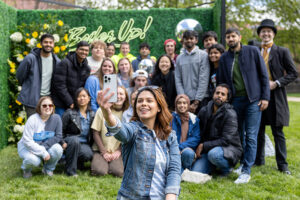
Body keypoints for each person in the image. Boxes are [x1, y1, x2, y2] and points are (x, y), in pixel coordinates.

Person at [97, 86, 181, 199]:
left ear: (159, 107)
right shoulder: (133, 130)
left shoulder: (171, 136)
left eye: (149, 100)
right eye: (140, 101)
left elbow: (174, 169)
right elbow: (119, 130)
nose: (143, 104)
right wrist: (107, 114)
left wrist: (170, 196)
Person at [217, 27, 270, 184]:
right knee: (238, 135)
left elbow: (263, 75)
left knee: (251, 136)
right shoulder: (224, 58)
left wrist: (265, 97)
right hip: (235, 101)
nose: (230, 39)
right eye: (228, 37)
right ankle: (241, 164)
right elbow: (222, 81)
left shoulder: (252, 51)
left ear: (239, 37)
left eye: (233, 36)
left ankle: (246, 171)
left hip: (253, 100)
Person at [255, 19, 298, 174]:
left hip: (276, 96)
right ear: (260, 34)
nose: (266, 34)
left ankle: (283, 165)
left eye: (269, 31)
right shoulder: (255, 50)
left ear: (273, 34)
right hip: (258, 96)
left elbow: (293, 73)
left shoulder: (282, 51)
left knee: (277, 131)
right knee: (258, 130)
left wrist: (277, 83)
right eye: (263, 31)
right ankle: (258, 161)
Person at [192, 84, 242, 177]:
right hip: (208, 149)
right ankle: (213, 166)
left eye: (223, 94)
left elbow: (226, 140)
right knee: (196, 172)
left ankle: (227, 169)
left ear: (227, 99)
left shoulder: (230, 114)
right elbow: (197, 132)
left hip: (228, 149)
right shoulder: (204, 110)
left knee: (214, 155)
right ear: (213, 95)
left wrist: (203, 145)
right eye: (217, 93)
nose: (219, 96)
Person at [17, 96, 64, 178]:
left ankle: (48, 169)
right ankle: (26, 170)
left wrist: (43, 148)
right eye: (44, 105)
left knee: (58, 149)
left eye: (50, 105)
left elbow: (58, 136)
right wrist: (43, 152)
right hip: (27, 147)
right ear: (39, 107)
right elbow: (27, 141)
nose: (48, 107)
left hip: (44, 146)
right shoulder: (32, 119)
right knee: (34, 160)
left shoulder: (57, 118)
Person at [16, 34, 60, 118]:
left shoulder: (56, 61)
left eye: (50, 42)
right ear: (41, 44)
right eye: (45, 42)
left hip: (48, 99)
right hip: (32, 99)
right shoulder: (30, 58)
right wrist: (29, 88)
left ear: (53, 44)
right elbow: (20, 75)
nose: (48, 44)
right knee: (33, 126)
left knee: (46, 126)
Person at [90, 86, 129, 177]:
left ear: (126, 97)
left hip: (117, 151)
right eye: (116, 94)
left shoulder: (127, 114)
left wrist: (119, 151)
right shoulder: (101, 111)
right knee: (99, 171)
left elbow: (127, 136)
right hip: (101, 149)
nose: (119, 96)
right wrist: (104, 152)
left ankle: (113, 165)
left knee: (118, 172)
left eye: (121, 94)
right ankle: (101, 163)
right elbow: (95, 132)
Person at [52, 41, 90, 118]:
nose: (84, 52)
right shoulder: (65, 63)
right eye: (81, 49)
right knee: (61, 127)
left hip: (75, 104)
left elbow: (82, 88)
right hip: (61, 103)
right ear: (76, 50)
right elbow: (59, 85)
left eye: (86, 50)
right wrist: (70, 102)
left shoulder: (86, 68)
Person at [62, 88, 95, 177]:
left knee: (88, 154)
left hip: (84, 143)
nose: (82, 98)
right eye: (79, 96)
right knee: (75, 140)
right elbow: (60, 130)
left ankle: (77, 164)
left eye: (84, 96)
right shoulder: (69, 113)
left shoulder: (92, 115)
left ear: (89, 98)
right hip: (70, 141)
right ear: (76, 99)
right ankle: (70, 171)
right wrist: (62, 142)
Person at [175, 30, 210, 114]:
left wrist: (196, 101)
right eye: (186, 39)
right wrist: (183, 99)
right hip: (185, 101)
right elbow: (178, 79)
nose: (189, 40)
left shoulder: (203, 55)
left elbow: (204, 78)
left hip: (202, 100)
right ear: (183, 40)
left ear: (196, 40)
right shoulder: (179, 58)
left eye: (191, 38)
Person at [172, 94, 200, 171]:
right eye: (179, 103)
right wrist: (175, 149)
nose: (182, 105)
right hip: (172, 149)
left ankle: (185, 169)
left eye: (184, 103)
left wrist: (180, 147)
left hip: (186, 149)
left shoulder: (194, 119)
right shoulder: (170, 118)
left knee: (188, 153)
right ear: (176, 104)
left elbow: (196, 138)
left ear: (188, 105)